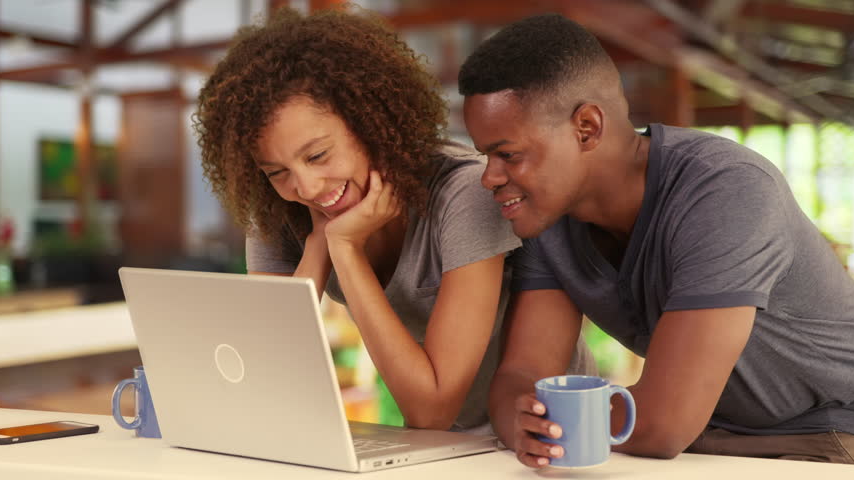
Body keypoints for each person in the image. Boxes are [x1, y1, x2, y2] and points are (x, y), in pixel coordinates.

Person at [458, 13, 854, 464]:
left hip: (840, 432)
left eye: (507, 155)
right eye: (485, 156)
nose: (489, 178)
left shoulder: (726, 189)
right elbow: (523, 372)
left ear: (587, 127)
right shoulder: (548, 217)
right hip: (716, 437)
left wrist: (552, 421)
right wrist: (525, 422)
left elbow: (660, 423)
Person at [193, 7, 594, 433]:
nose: (306, 187)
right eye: (277, 172)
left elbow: (431, 411)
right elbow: (258, 374)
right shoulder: (279, 215)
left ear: (368, 120)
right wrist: (318, 251)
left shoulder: (465, 194)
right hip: (441, 450)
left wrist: (345, 250)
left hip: (546, 435)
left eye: (317, 155)